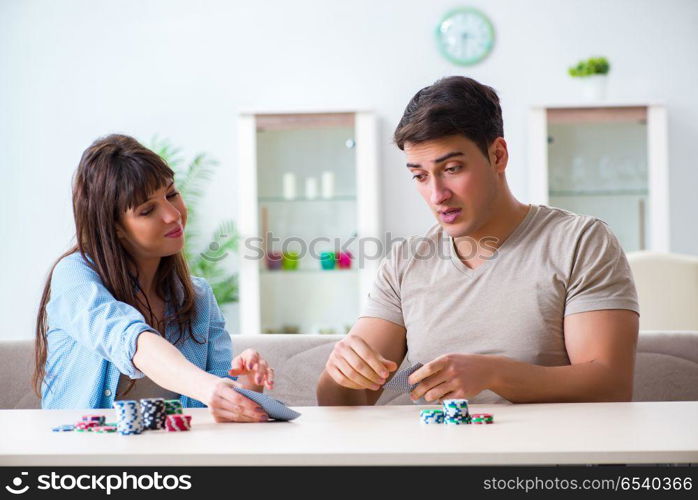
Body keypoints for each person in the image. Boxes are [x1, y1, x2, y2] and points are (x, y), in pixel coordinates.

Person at [317, 76, 639, 406]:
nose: (437, 194)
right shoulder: (405, 261)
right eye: (419, 176)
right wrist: (341, 372)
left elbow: (610, 384)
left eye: (453, 168)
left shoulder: (580, 243)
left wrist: (493, 374)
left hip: (541, 455)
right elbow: (343, 402)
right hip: (431, 453)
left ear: (498, 155)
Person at [34, 134, 272, 422]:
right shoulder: (75, 277)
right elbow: (130, 340)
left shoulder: (198, 297)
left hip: (177, 462)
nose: (173, 215)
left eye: (171, 194)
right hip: (81, 458)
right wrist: (208, 387)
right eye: (147, 210)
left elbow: (216, 402)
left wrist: (244, 388)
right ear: (114, 227)